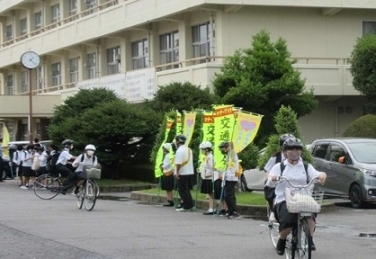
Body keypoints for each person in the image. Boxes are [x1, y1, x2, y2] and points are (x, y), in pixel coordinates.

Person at [266, 137, 327, 256]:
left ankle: (309, 238)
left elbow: (316, 174)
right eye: (291, 149)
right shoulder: (279, 167)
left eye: (298, 149)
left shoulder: (306, 166)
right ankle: (282, 239)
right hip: (285, 199)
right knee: (288, 221)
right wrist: (273, 178)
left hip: (303, 198)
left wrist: (322, 175)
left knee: (310, 216)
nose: (295, 151)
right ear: (285, 152)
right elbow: (270, 181)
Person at [264, 133, 295, 221]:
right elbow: (267, 171)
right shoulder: (275, 157)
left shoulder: (297, 158)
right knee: (272, 190)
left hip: (290, 181)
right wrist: (271, 178)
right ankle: (273, 210)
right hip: (277, 180)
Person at [217, 141, 240, 219]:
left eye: (223, 148)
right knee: (231, 195)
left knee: (228, 195)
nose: (223, 150)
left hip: (231, 177)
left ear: (227, 147)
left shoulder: (232, 153)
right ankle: (231, 211)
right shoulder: (229, 154)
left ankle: (233, 211)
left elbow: (231, 166)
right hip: (229, 176)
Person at [174, 134, 194, 212]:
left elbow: (178, 163)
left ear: (177, 142)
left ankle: (186, 206)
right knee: (187, 190)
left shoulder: (179, 150)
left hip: (182, 173)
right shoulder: (189, 149)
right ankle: (190, 205)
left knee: (182, 191)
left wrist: (177, 172)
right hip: (190, 172)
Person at [198, 141, 215, 215]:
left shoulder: (210, 158)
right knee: (209, 194)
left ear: (207, 150)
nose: (201, 151)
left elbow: (212, 168)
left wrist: (208, 174)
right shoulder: (206, 157)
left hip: (209, 178)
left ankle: (212, 209)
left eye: (202, 149)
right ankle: (211, 208)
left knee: (211, 194)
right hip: (206, 178)